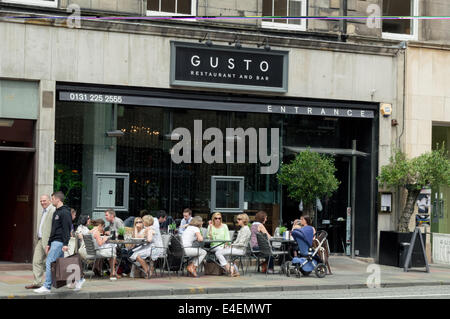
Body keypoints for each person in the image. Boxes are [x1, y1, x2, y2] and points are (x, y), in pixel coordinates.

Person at [35, 191, 84, 293]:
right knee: (60, 264)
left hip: (59, 242)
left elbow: (66, 229)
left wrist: (65, 244)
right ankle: (79, 279)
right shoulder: (56, 212)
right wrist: (48, 243)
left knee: (49, 262)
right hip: (54, 241)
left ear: (58, 199)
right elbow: (53, 229)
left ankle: (47, 286)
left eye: (52, 199)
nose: (51, 200)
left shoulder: (65, 212)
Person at [25, 195, 56, 289]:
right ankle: (37, 282)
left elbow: (55, 227)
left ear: (50, 201)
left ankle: (64, 280)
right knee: (36, 261)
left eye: (44, 201)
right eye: (41, 201)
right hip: (40, 240)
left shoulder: (53, 211)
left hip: (49, 241)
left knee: (53, 262)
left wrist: (51, 241)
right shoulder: (44, 211)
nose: (42, 203)